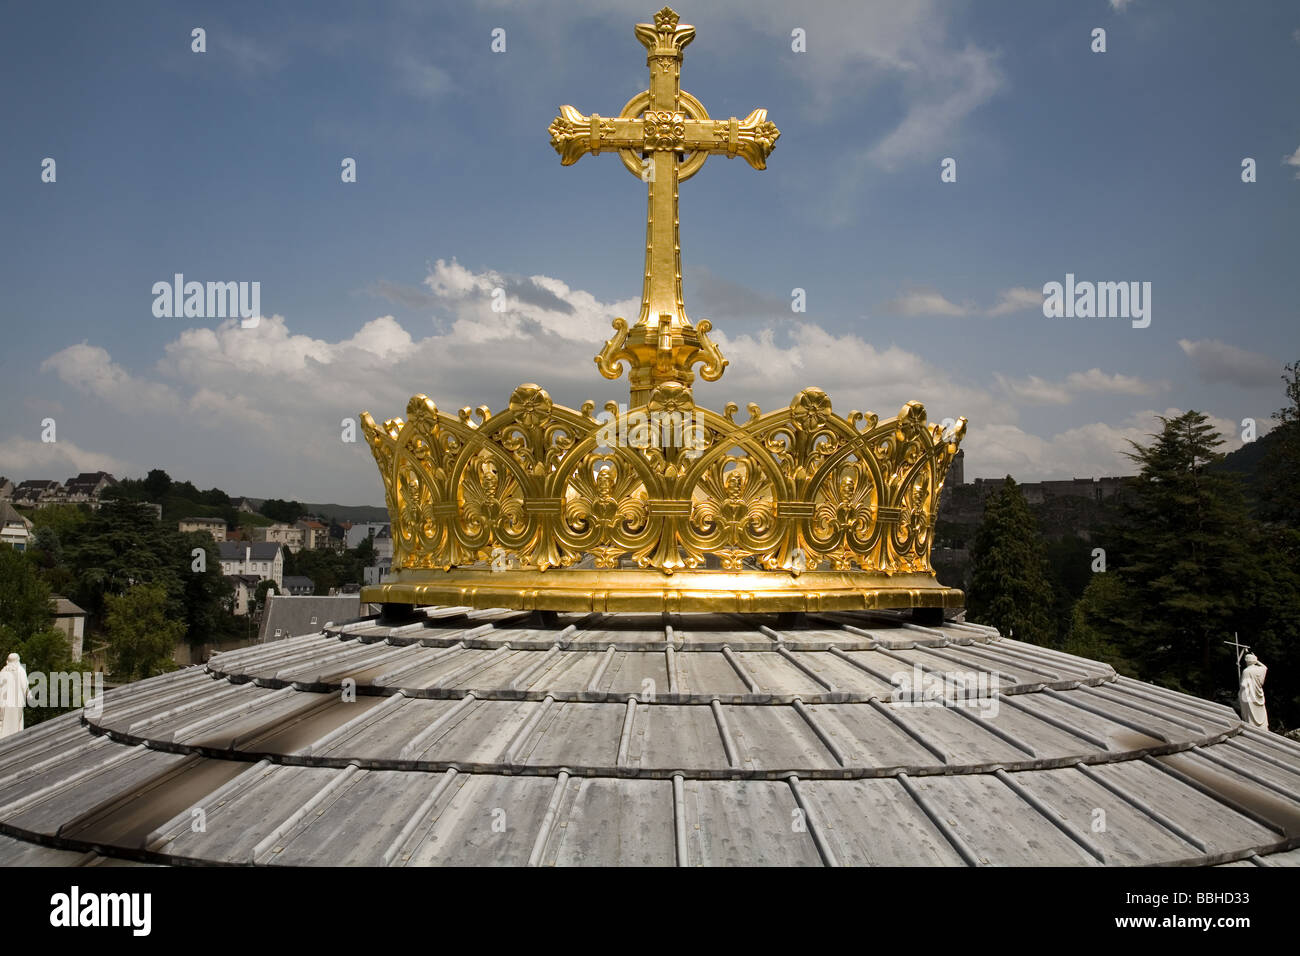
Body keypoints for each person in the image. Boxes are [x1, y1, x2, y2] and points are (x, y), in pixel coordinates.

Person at [0, 653, 29, 738]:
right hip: (16, 703)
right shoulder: (20, 670)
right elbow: (25, 685)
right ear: (17, 661)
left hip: (3, 703)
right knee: (16, 726)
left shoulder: (3, 671)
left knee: (3, 725)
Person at [1238, 653, 1268, 729]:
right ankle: (1262, 726)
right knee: (1259, 711)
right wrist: (1257, 661)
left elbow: (1243, 685)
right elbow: (1265, 667)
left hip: (1249, 695)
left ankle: (1251, 725)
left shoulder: (1247, 671)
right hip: (1258, 694)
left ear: (1247, 661)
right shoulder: (1260, 669)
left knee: (1250, 712)